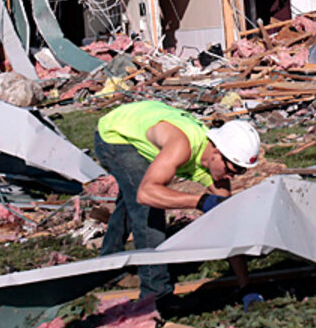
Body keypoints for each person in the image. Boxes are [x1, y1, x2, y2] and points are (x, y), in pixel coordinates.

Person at [94, 100, 264, 311]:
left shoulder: (218, 163)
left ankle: (108, 264)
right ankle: (156, 297)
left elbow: (226, 222)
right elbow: (146, 194)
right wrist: (199, 201)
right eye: (233, 168)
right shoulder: (182, 146)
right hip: (115, 135)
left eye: (240, 171)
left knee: (134, 195)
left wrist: (245, 286)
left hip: (142, 124)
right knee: (149, 207)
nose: (233, 175)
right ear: (216, 152)